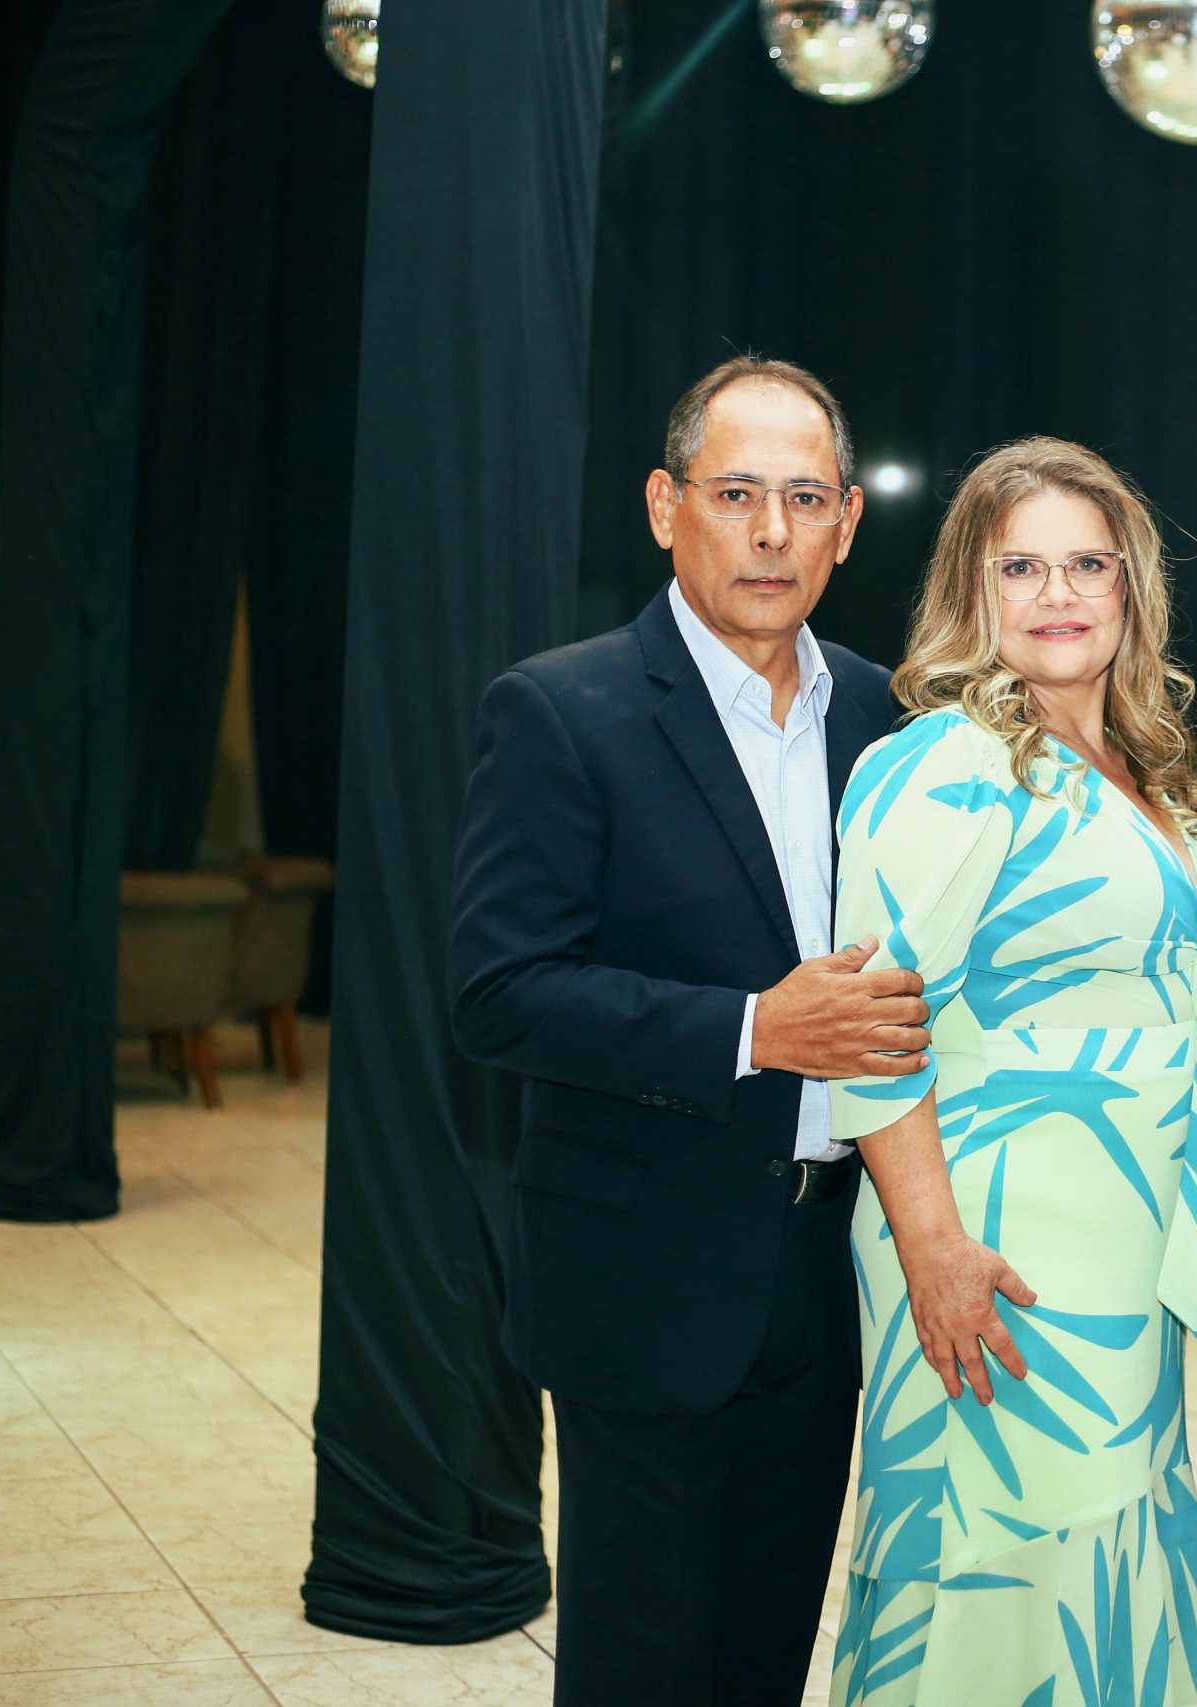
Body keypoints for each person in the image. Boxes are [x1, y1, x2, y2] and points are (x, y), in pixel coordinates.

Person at [450, 357, 926, 1706]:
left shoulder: (887, 716)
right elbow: (498, 991)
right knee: (642, 1669)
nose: (772, 532)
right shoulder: (562, 709)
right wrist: (755, 1027)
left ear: (846, 523)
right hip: (645, 1275)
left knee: (764, 1656)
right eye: (735, 494)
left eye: (805, 498)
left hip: (826, 1272)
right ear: (667, 507)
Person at [825, 438, 1197, 1706]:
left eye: (1088, 565)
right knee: (994, 1569)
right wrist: (933, 1252)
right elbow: (875, 1027)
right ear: (972, 586)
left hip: (1121, 1253)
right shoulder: (942, 764)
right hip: (991, 1249)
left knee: (1103, 1572)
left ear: (1131, 587)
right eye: (1021, 567)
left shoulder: (1154, 770)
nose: (1058, 594)